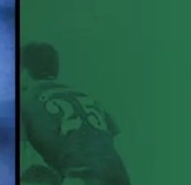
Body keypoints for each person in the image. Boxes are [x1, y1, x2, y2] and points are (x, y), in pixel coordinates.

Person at [20, 43, 131, 185]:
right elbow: (119, 146)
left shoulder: (25, 100)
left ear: (24, 72)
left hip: (81, 179)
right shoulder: (88, 98)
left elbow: (19, 155)